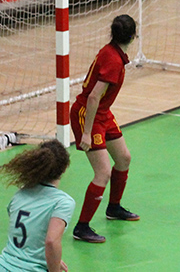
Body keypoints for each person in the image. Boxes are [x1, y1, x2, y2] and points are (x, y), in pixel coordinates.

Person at [69, 14, 140, 244]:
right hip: (88, 114)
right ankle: (81, 227)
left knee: (124, 158)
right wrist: (87, 133)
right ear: (132, 36)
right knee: (103, 172)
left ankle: (114, 207)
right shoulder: (113, 61)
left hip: (103, 113)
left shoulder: (113, 52)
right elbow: (92, 98)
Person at [0, 140, 74, 272]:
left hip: (0, 267)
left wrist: (52, 260)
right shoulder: (62, 202)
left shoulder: (20, 194)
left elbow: (28, 232)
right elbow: (51, 242)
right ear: (63, 169)